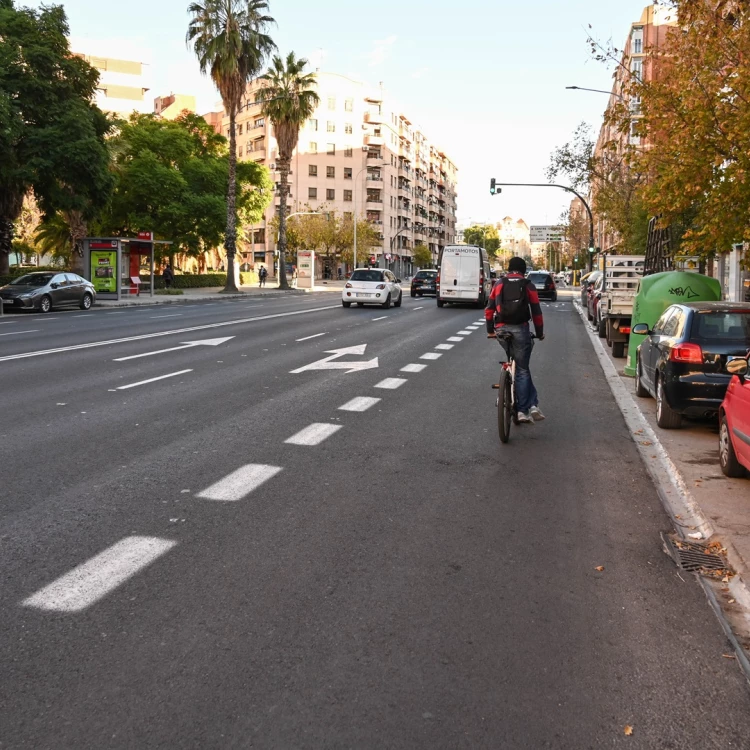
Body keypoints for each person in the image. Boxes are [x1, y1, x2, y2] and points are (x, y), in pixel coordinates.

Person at [485, 256, 545, 424]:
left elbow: (489, 309)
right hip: (520, 329)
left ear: (509, 268)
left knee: (518, 364)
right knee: (523, 368)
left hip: (502, 330)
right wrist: (539, 332)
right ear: (523, 270)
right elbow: (536, 312)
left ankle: (530, 404)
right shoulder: (528, 285)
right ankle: (523, 410)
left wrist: (490, 330)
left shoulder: (499, 284)